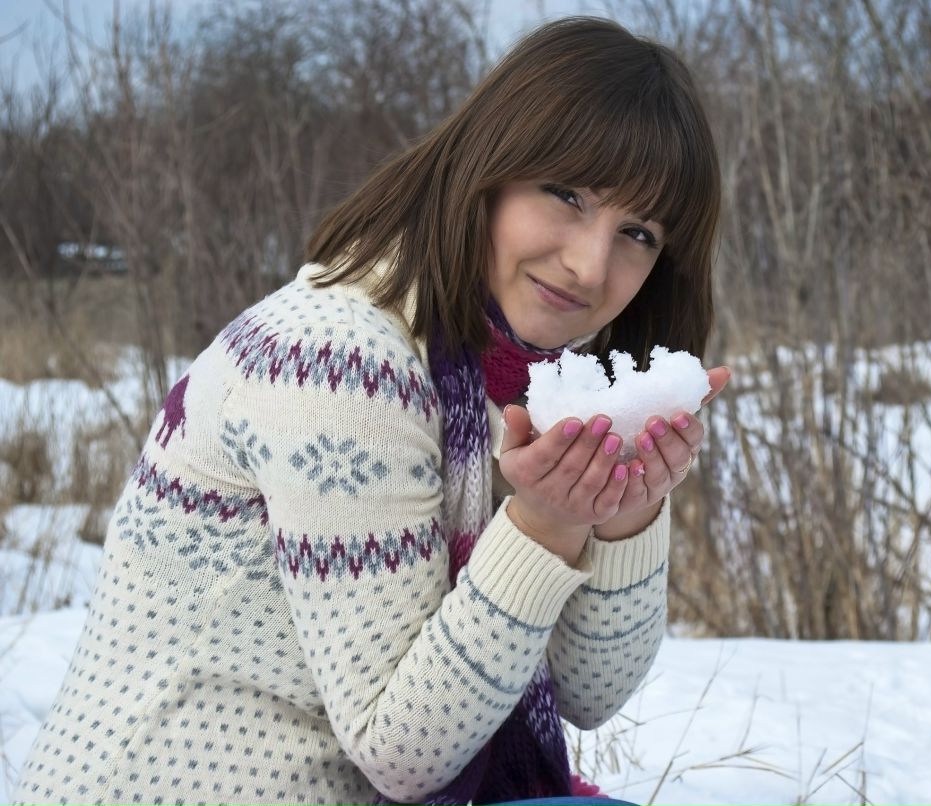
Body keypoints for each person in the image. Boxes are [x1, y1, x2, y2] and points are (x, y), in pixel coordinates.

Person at [12, 15, 727, 806]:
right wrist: (548, 524)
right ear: (489, 169)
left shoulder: (518, 379)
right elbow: (405, 751)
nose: (591, 264)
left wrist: (624, 509)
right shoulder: (337, 359)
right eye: (566, 194)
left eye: (638, 232)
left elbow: (588, 692)